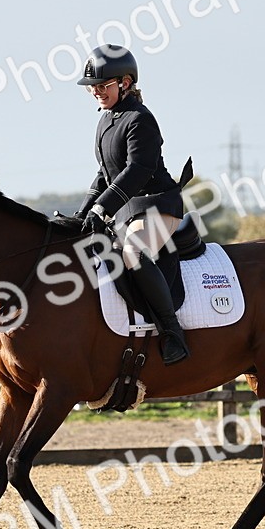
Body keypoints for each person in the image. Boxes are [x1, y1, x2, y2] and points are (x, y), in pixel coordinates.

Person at [76, 44, 190, 365]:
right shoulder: (106, 121)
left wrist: (104, 208)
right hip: (125, 211)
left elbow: (138, 170)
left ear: (125, 82)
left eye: (103, 86)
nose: (97, 92)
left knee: (133, 252)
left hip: (157, 205)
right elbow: (105, 174)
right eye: (93, 88)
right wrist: (84, 212)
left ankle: (172, 333)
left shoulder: (141, 119)